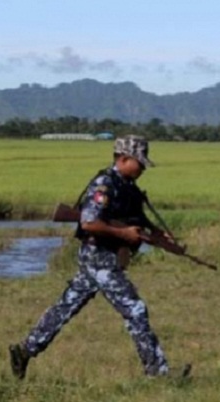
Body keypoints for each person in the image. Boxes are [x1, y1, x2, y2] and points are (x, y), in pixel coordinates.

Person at [9, 135, 172, 379]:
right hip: (98, 256)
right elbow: (88, 223)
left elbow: (137, 218)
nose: (143, 168)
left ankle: (24, 350)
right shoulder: (104, 184)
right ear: (124, 159)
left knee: (66, 307)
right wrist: (123, 234)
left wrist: (158, 234)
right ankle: (157, 372)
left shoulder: (128, 187)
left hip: (104, 257)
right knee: (135, 308)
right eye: (139, 162)